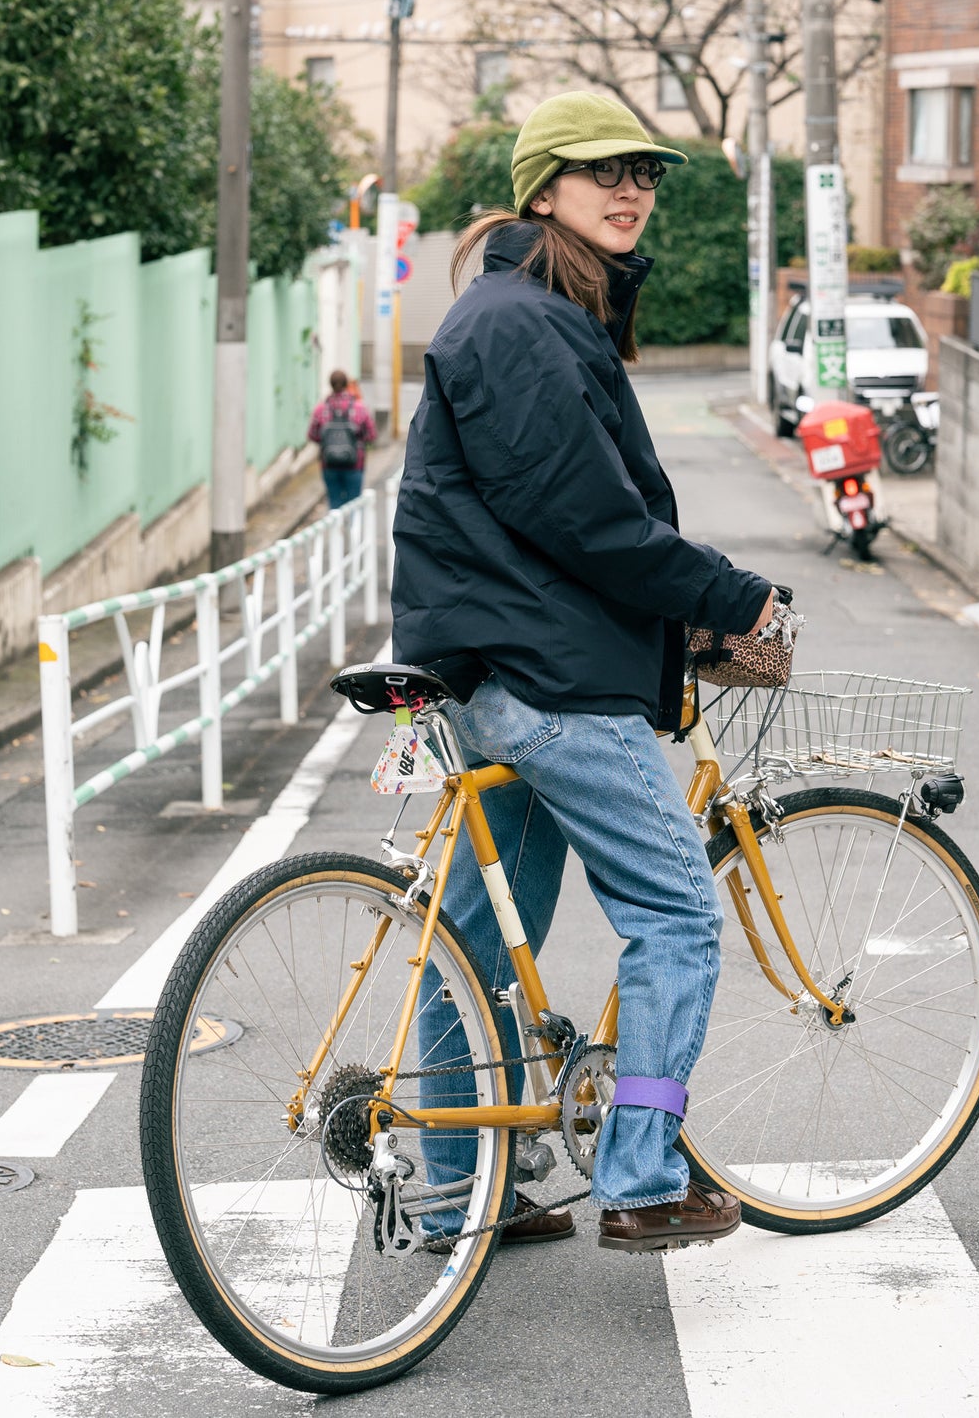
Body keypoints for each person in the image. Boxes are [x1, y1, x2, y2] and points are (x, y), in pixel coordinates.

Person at [392, 91, 774, 1254]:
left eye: (645, 174)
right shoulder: (519, 323)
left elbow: (554, 523)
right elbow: (585, 521)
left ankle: (462, 1191)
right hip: (548, 684)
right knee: (674, 919)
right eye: (600, 170)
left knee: (471, 947)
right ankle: (643, 1179)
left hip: (498, 670)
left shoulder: (533, 314)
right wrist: (726, 596)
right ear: (540, 190)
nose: (630, 190)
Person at [308, 370, 376, 507]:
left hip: (329, 463)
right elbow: (371, 435)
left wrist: (328, 440)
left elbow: (312, 435)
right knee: (354, 504)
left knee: (334, 502)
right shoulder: (360, 408)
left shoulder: (320, 409)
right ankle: (352, 528)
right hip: (355, 463)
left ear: (330, 385)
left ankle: (337, 528)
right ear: (347, 384)